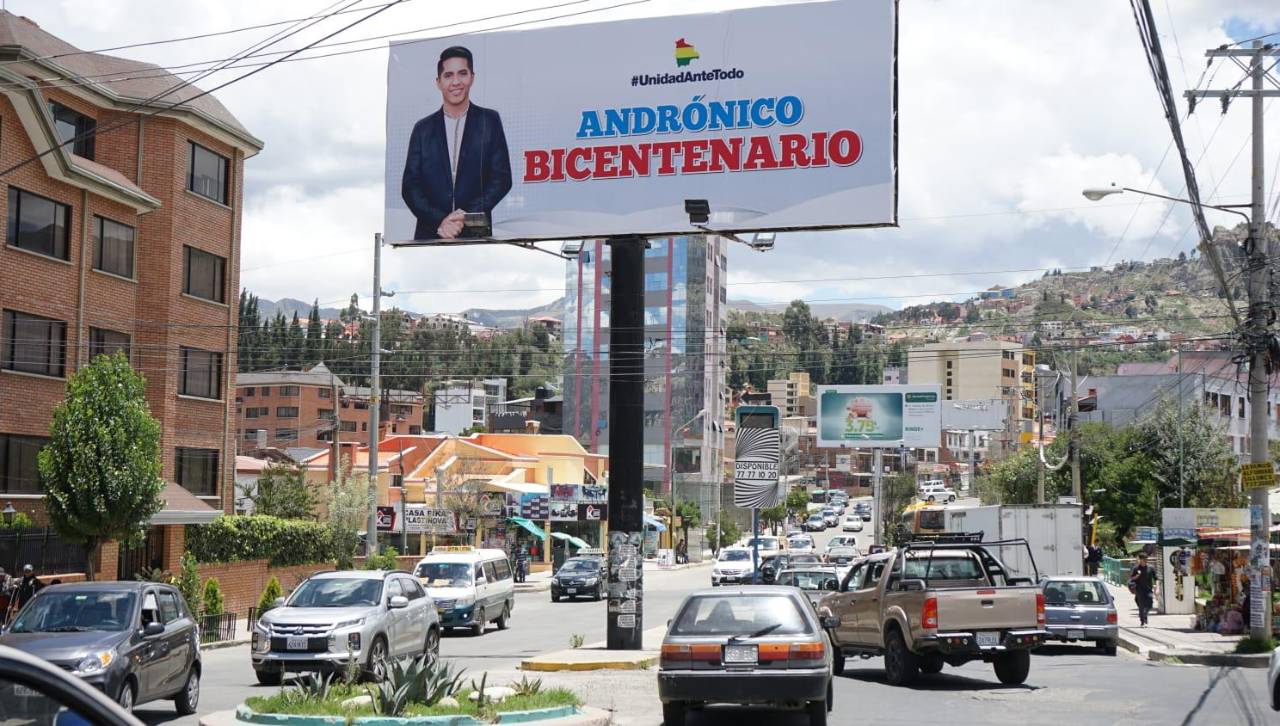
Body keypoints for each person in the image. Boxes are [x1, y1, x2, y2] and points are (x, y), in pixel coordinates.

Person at [401, 45, 512, 241]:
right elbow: (410, 187)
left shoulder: (490, 121)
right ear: (438, 82)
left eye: (462, 73)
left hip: (477, 233)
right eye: (448, 75)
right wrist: (440, 221)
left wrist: (465, 216)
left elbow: (501, 179)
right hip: (430, 233)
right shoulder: (423, 129)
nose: (456, 82)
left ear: (472, 77)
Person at [1129, 553, 1157, 627]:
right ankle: (1142, 621)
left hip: (1149, 589)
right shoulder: (1136, 568)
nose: (1145, 561)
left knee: (1150, 604)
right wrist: (1137, 576)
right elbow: (1131, 578)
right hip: (1139, 590)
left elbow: (1156, 578)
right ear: (1140, 559)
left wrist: (1157, 587)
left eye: (1146, 559)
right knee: (1141, 606)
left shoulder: (1151, 568)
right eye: (1143, 559)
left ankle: (1145, 614)